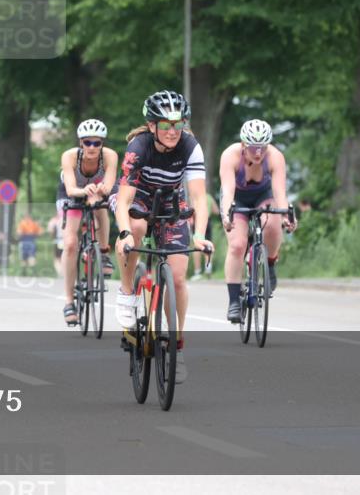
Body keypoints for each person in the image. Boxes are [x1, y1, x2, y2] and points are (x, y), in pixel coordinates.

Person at [113, 90, 213, 385]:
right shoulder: (138, 146)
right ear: (152, 125)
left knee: (179, 277)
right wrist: (124, 234)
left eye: (178, 124)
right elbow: (122, 201)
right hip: (138, 198)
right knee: (137, 229)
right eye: (166, 125)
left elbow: (199, 197)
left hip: (171, 200)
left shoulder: (190, 145)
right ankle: (128, 292)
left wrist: (199, 235)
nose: (173, 131)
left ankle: (176, 347)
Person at [219, 119, 297, 322]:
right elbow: (227, 191)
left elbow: (280, 192)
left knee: (272, 225)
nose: (258, 153)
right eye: (253, 147)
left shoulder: (275, 157)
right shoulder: (230, 156)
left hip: (264, 195)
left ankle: (269, 264)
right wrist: (226, 215)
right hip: (237, 198)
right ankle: (234, 301)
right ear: (243, 144)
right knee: (237, 245)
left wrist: (287, 214)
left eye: (263, 147)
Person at [57, 119, 119, 326]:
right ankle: (68, 301)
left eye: (97, 143)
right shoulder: (70, 156)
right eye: (87, 142)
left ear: (102, 143)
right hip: (72, 192)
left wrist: (96, 192)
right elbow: (70, 189)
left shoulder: (110, 156)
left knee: (100, 206)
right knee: (70, 244)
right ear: (80, 142)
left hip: (97, 192)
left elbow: (109, 186)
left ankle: (103, 252)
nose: (92, 147)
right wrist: (84, 191)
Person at [47, 210, 64, 277]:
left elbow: (50, 230)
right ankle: (64, 272)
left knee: (57, 258)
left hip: (58, 240)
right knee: (64, 256)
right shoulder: (68, 218)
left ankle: (60, 272)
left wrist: (52, 236)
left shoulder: (54, 220)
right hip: (65, 240)